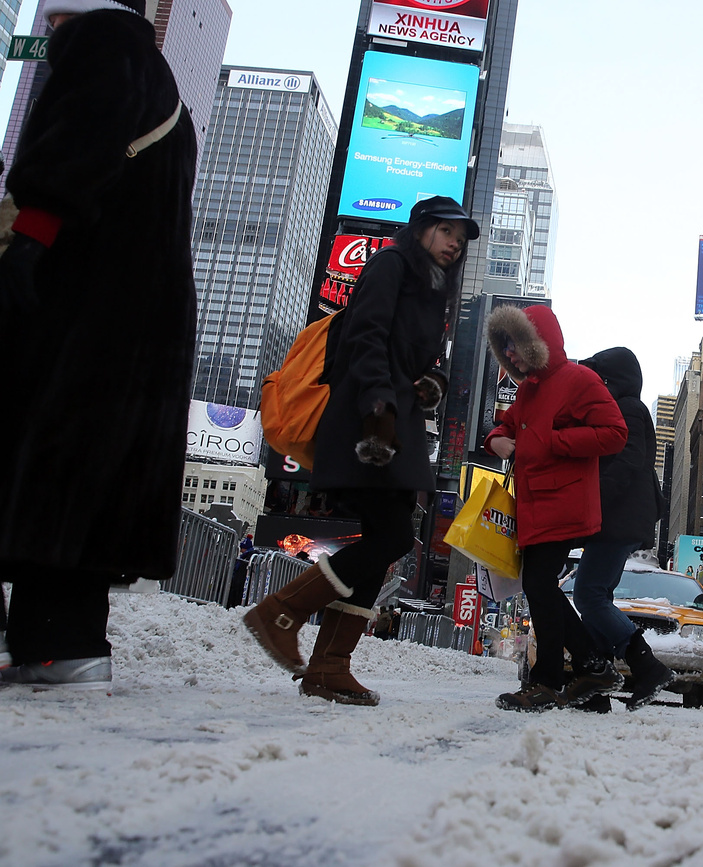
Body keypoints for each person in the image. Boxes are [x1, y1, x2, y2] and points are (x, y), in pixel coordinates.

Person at [0, 0, 197, 688]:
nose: (49, 31)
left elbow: (75, 143)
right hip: (143, 316)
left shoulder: (105, 41)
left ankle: (52, 640)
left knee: (49, 458)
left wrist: (31, 234)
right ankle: (59, 638)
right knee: (87, 473)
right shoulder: (160, 74)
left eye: (54, 17)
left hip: (85, 299)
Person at [243, 196, 476, 706]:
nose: (455, 242)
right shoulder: (391, 264)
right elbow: (365, 336)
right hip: (369, 418)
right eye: (445, 231)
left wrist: (433, 378)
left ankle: (329, 665)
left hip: (399, 416)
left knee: (386, 539)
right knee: (391, 535)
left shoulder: (434, 289)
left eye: (460, 237)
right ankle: (282, 611)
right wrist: (377, 405)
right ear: (419, 230)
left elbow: (424, 354)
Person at [484, 305, 628, 711]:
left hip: (563, 501)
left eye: (514, 344)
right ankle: (590, 666)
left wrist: (554, 443)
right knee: (540, 586)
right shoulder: (529, 389)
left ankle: (549, 680)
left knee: (539, 585)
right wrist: (496, 438)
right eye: (504, 347)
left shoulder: (578, 379)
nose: (509, 354)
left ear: (536, 341)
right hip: (536, 503)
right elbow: (507, 426)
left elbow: (615, 433)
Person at [572, 347, 675, 710]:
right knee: (598, 596)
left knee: (588, 595)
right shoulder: (623, 408)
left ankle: (646, 665)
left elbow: (628, 463)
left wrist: (588, 499)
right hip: (620, 519)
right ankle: (596, 690)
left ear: (613, 381)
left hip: (618, 519)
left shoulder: (628, 408)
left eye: (601, 379)